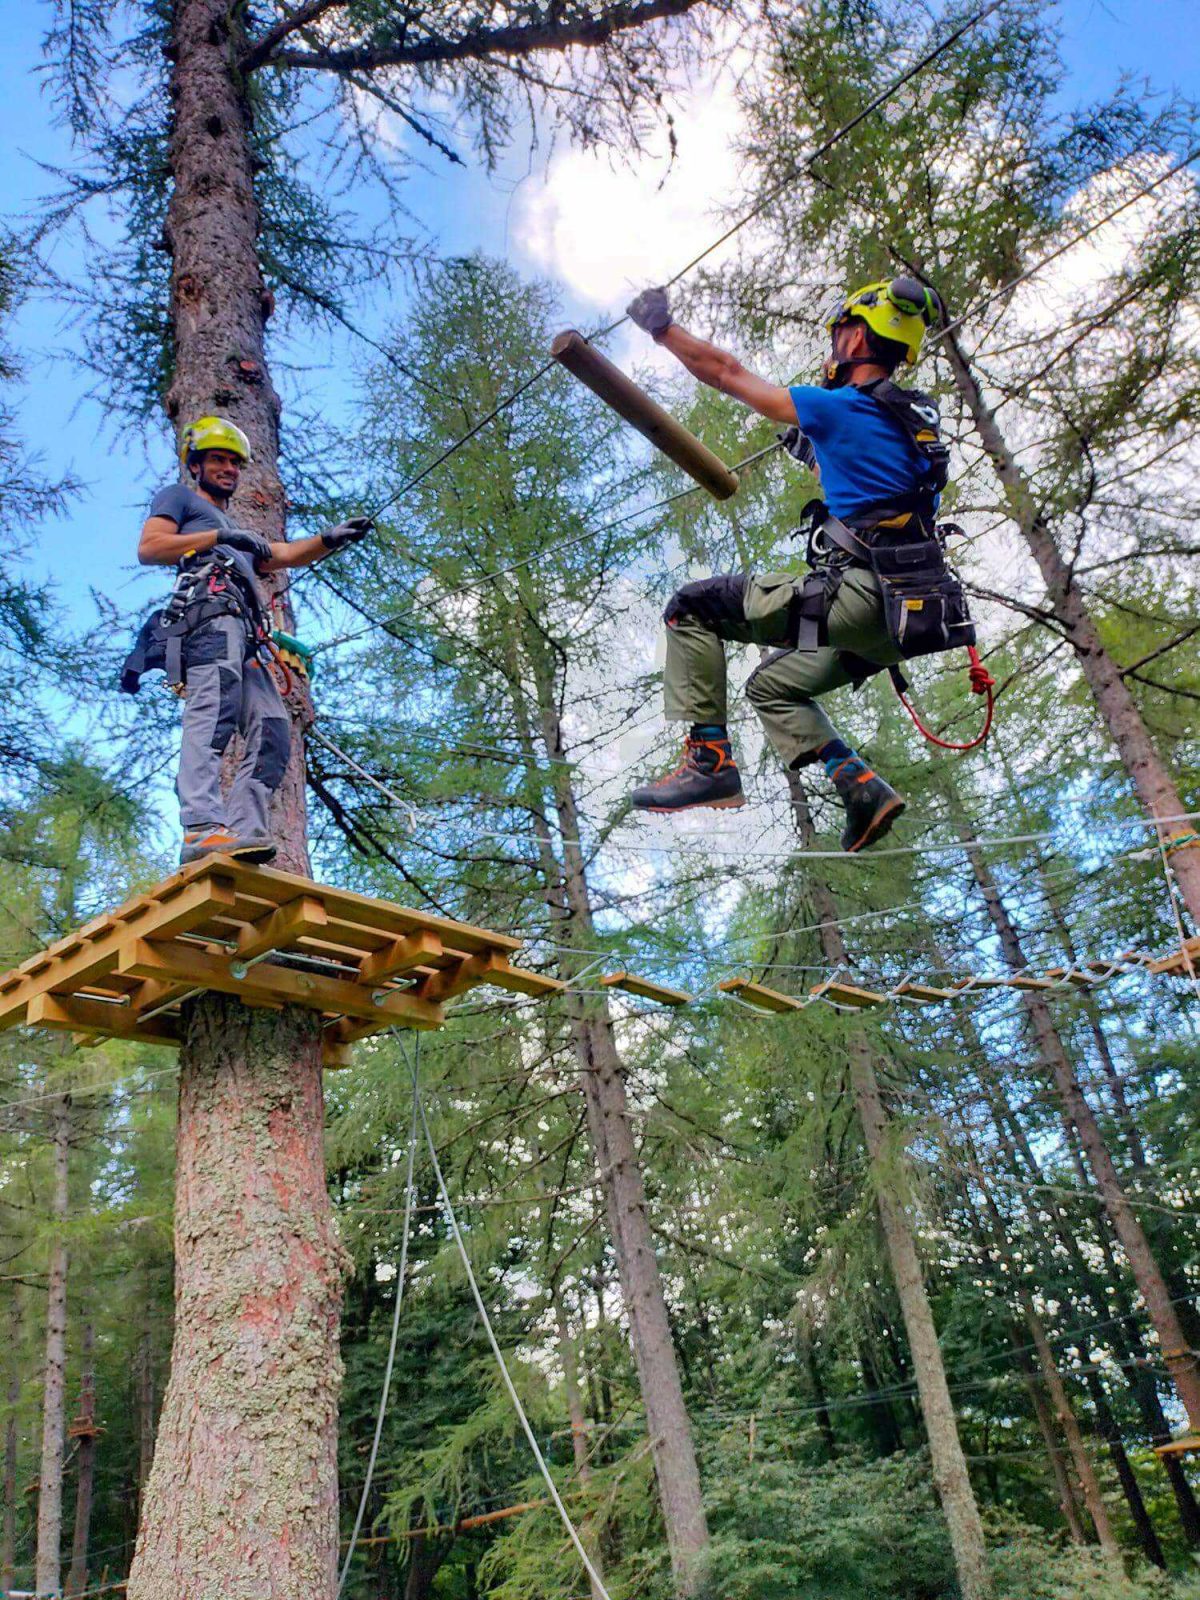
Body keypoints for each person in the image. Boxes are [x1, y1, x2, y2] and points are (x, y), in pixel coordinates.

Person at [625, 277, 948, 853]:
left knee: (691, 608)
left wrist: (662, 330)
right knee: (773, 685)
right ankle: (861, 789)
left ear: (859, 339)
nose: (834, 343)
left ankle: (709, 763)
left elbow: (725, 371)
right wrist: (817, 456)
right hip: (908, 620)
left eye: (841, 332)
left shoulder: (839, 407)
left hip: (858, 599)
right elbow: (876, 493)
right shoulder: (914, 425)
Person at [124, 416, 372, 865]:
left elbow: (282, 554)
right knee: (212, 713)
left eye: (235, 463)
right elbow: (151, 547)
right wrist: (220, 536)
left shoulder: (234, 529)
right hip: (210, 620)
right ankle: (201, 827)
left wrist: (329, 539)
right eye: (218, 460)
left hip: (247, 636)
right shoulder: (180, 498)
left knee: (273, 729)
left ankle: (242, 832)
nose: (229, 469)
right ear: (195, 465)